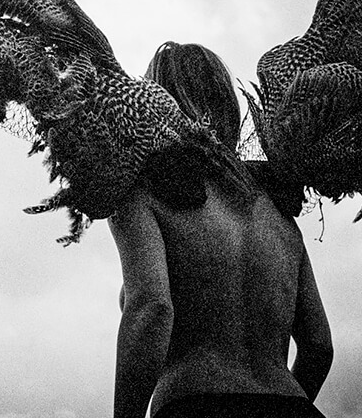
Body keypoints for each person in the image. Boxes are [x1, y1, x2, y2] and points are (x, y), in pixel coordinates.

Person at [108, 42, 332, 418]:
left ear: (157, 102)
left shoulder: (145, 193)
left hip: (194, 404)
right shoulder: (276, 207)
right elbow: (319, 346)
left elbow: (152, 309)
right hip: (292, 405)